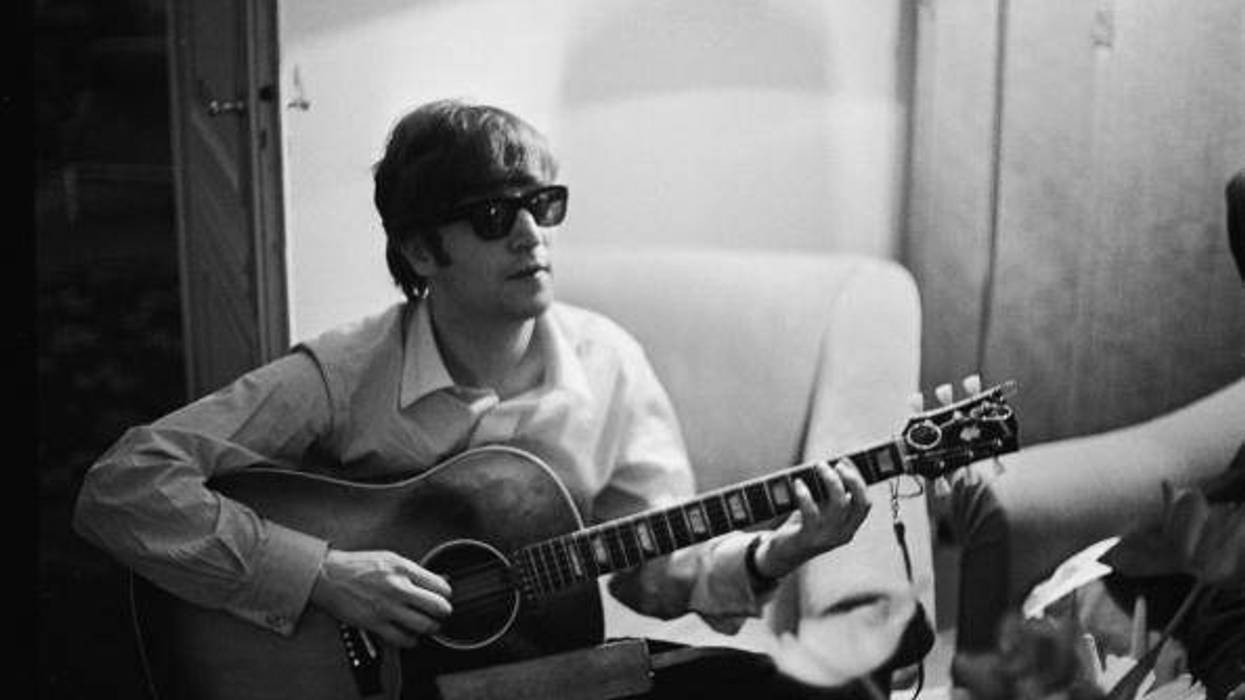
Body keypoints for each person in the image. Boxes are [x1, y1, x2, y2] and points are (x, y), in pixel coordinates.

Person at [73, 99, 887, 697]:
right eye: (495, 215)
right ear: (422, 250)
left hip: (544, 678)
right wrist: (322, 574)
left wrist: (778, 551)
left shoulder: (607, 362)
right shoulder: (343, 372)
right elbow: (123, 486)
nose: (532, 236)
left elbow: (653, 571)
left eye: (543, 206)